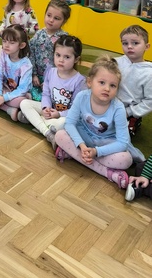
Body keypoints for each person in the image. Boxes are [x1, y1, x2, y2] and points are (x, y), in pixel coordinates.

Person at [54, 56, 144, 189]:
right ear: (90, 82)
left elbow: (123, 142)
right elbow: (70, 123)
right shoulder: (82, 96)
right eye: (102, 82)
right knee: (59, 134)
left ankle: (74, 154)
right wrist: (82, 146)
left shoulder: (118, 108)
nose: (107, 88)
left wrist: (96, 151)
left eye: (112, 85)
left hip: (106, 143)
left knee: (126, 160)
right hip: (85, 138)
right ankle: (108, 173)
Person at [20, 35, 87, 147]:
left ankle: (37, 121)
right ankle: (48, 132)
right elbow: (46, 94)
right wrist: (45, 108)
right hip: (50, 109)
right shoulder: (50, 72)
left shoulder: (79, 81)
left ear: (76, 59)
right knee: (24, 103)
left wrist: (59, 114)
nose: (61, 60)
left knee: (63, 123)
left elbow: (77, 109)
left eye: (67, 57)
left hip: (64, 116)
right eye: (58, 55)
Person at [29, 0, 70, 100]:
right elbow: (31, 54)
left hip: (56, 78)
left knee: (55, 98)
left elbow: (66, 62)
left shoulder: (64, 38)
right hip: (37, 77)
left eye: (56, 18)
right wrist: (33, 74)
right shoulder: (38, 34)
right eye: (49, 15)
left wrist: (52, 80)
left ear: (64, 21)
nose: (51, 20)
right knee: (28, 92)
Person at [115, 24, 152, 136]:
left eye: (135, 43)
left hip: (130, 110)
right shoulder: (115, 62)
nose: (129, 46)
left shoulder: (149, 73)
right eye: (125, 43)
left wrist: (129, 112)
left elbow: (149, 101)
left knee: (120, 134)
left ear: (147, 46)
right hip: (108, 103)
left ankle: (135, 121)